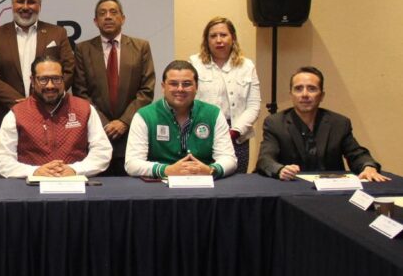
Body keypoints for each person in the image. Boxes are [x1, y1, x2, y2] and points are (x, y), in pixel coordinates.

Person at [256, 66, 388, 182]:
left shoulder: (339, 123)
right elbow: (265, 159)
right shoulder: (275, 123)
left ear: (322, 95)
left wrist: (368, 166)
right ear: (291, 94)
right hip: (291, 187)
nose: (304, 94)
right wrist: (280, 169)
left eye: (312, 89)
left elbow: (357, 154)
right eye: (298, 89)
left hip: (331, 190)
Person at [0, 0, 75, 141]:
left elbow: (69, 70)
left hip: (50, 114)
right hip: (7, 115)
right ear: (12, 4)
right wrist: (20, 104)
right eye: (20, 1)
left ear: (39, 6)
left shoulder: (57, 33)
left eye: (31, 2)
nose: (25, 7)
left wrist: (42, 98)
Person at [73, 0, 155, 175]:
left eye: (113, 12)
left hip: (131, 133)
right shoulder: (82, 49)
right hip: (97, 134)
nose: (108, 17)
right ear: (95, 21)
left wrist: (124, 121)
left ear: (123, 18)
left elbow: (146, 90)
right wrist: (104, 123)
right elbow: (80, 92)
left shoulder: (141, 47)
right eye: (102, 13)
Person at [0, 56, 111, 178]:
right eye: (43, 79)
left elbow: (102, 151)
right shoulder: (16, 114)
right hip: (31, 186)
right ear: (32, 80)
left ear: (63, 79)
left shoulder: (84, 109)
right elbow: (1, 159)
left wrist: (75, 169)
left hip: (76, 182)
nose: (50, 85)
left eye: (56, 79)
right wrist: (34, 171)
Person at [125, 60, 237, 179]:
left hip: (204, 182)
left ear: (196, 87)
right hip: (159, 185)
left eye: (187, 84)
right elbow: (132, 164)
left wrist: (211, 170)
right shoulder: (144, 116)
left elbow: (229, 158)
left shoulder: (213, 114)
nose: (180, 89)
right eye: (173, 84)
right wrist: (166, 170)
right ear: (163, 87)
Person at [189, 17, 261, 174]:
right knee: (203, 177)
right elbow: (188, 101)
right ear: (206, 40)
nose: (218, 40)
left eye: (223, 35)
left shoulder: (247, 66)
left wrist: (235, 131)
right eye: (213, 36)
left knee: (236, 181)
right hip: (203, 132)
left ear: (233, 37)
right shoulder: (195, 63)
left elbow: (254, 106)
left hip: (237, 135)